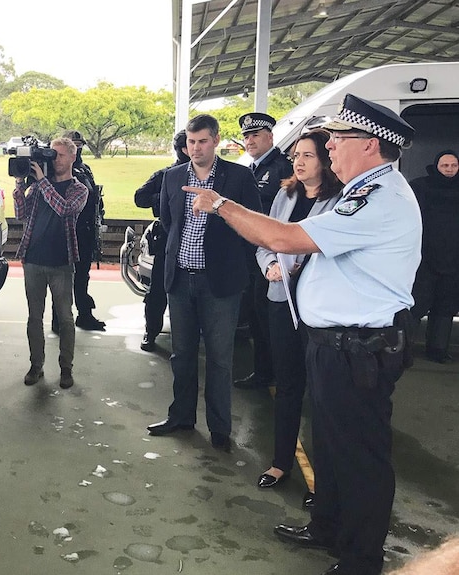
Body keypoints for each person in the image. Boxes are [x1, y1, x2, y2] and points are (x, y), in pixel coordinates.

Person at [186, 94, 420, 575]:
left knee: (360, 458)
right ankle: (328, 528)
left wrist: (222, 206)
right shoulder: (361, 191)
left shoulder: (381, 198)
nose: (329, 145)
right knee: (331, 447)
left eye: (339, 138)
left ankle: (360, 559)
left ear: (371, 145)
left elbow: (285, 239)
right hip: (333, 343)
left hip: (359, 348)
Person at [145, 114, 262, 451]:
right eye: (190, 142)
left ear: (216, 141)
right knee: (181, 355)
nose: (195, 148)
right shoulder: (172, 177)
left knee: (220, 358)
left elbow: (251, 226)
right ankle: (181, 416)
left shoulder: (238, 177)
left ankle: (220, 428)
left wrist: (220, 214)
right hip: (180, 280)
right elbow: (169, 223)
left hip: (220, 284)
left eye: (202, 142)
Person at [252, 128, 342, 510]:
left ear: (325, 159)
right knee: (288, 387)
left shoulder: (340, 199)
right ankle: (280, 463)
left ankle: (324, 479)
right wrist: (270, 264)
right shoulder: (286, 194)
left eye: (307, 155)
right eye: (296, 157)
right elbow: (264, 239)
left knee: (323, 397)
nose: (299, 162)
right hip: (281, 302)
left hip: (320, 311)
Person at [13, 137, 88, 389]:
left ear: (72, 157)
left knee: (66, 318)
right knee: (34, 317)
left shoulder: (79, 189)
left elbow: (64, 209)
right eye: (52, 155)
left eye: (60, 155)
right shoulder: (37, 187)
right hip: (33, 260)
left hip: (61, 263)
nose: (55, 159)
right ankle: (36, 365)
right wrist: (19, 185)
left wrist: (42, 182)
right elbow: (20, 214)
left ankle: (66, 367)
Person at [235, 112, 293, 390]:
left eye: (255, 135)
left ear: (270, 136)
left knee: (269, 317)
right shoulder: (252, 168)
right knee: (257, 316)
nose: (249, 140)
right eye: (246, 136)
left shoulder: (282, 168)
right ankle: (264, 370)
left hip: (271, 253)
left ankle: (277, 374)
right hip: (252, 251)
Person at [134, 129, 189, 351]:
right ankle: (151, 332)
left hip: (195, 241)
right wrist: (166, 197)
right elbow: (140, 197)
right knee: (157, 291)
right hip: (167, 238)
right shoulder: (165, 174)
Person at [50, 130, 105, 332]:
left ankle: (84, 314)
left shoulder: (85, 169)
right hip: (64, 231)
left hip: (86, 231)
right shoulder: (55, 173)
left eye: (80, 144)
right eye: (74, 144)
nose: (78, 148)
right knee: (61, 279)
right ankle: (59, 320)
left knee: (82, 276)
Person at [409, 149, 459, 363]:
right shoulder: (420, 188)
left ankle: (438, 350)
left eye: (453, 166)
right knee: (415, 306)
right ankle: (402, 351)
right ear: (436, 166)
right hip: (424, 259)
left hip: (454, 260)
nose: (449, 170)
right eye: (445, 166)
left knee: (445, 307)